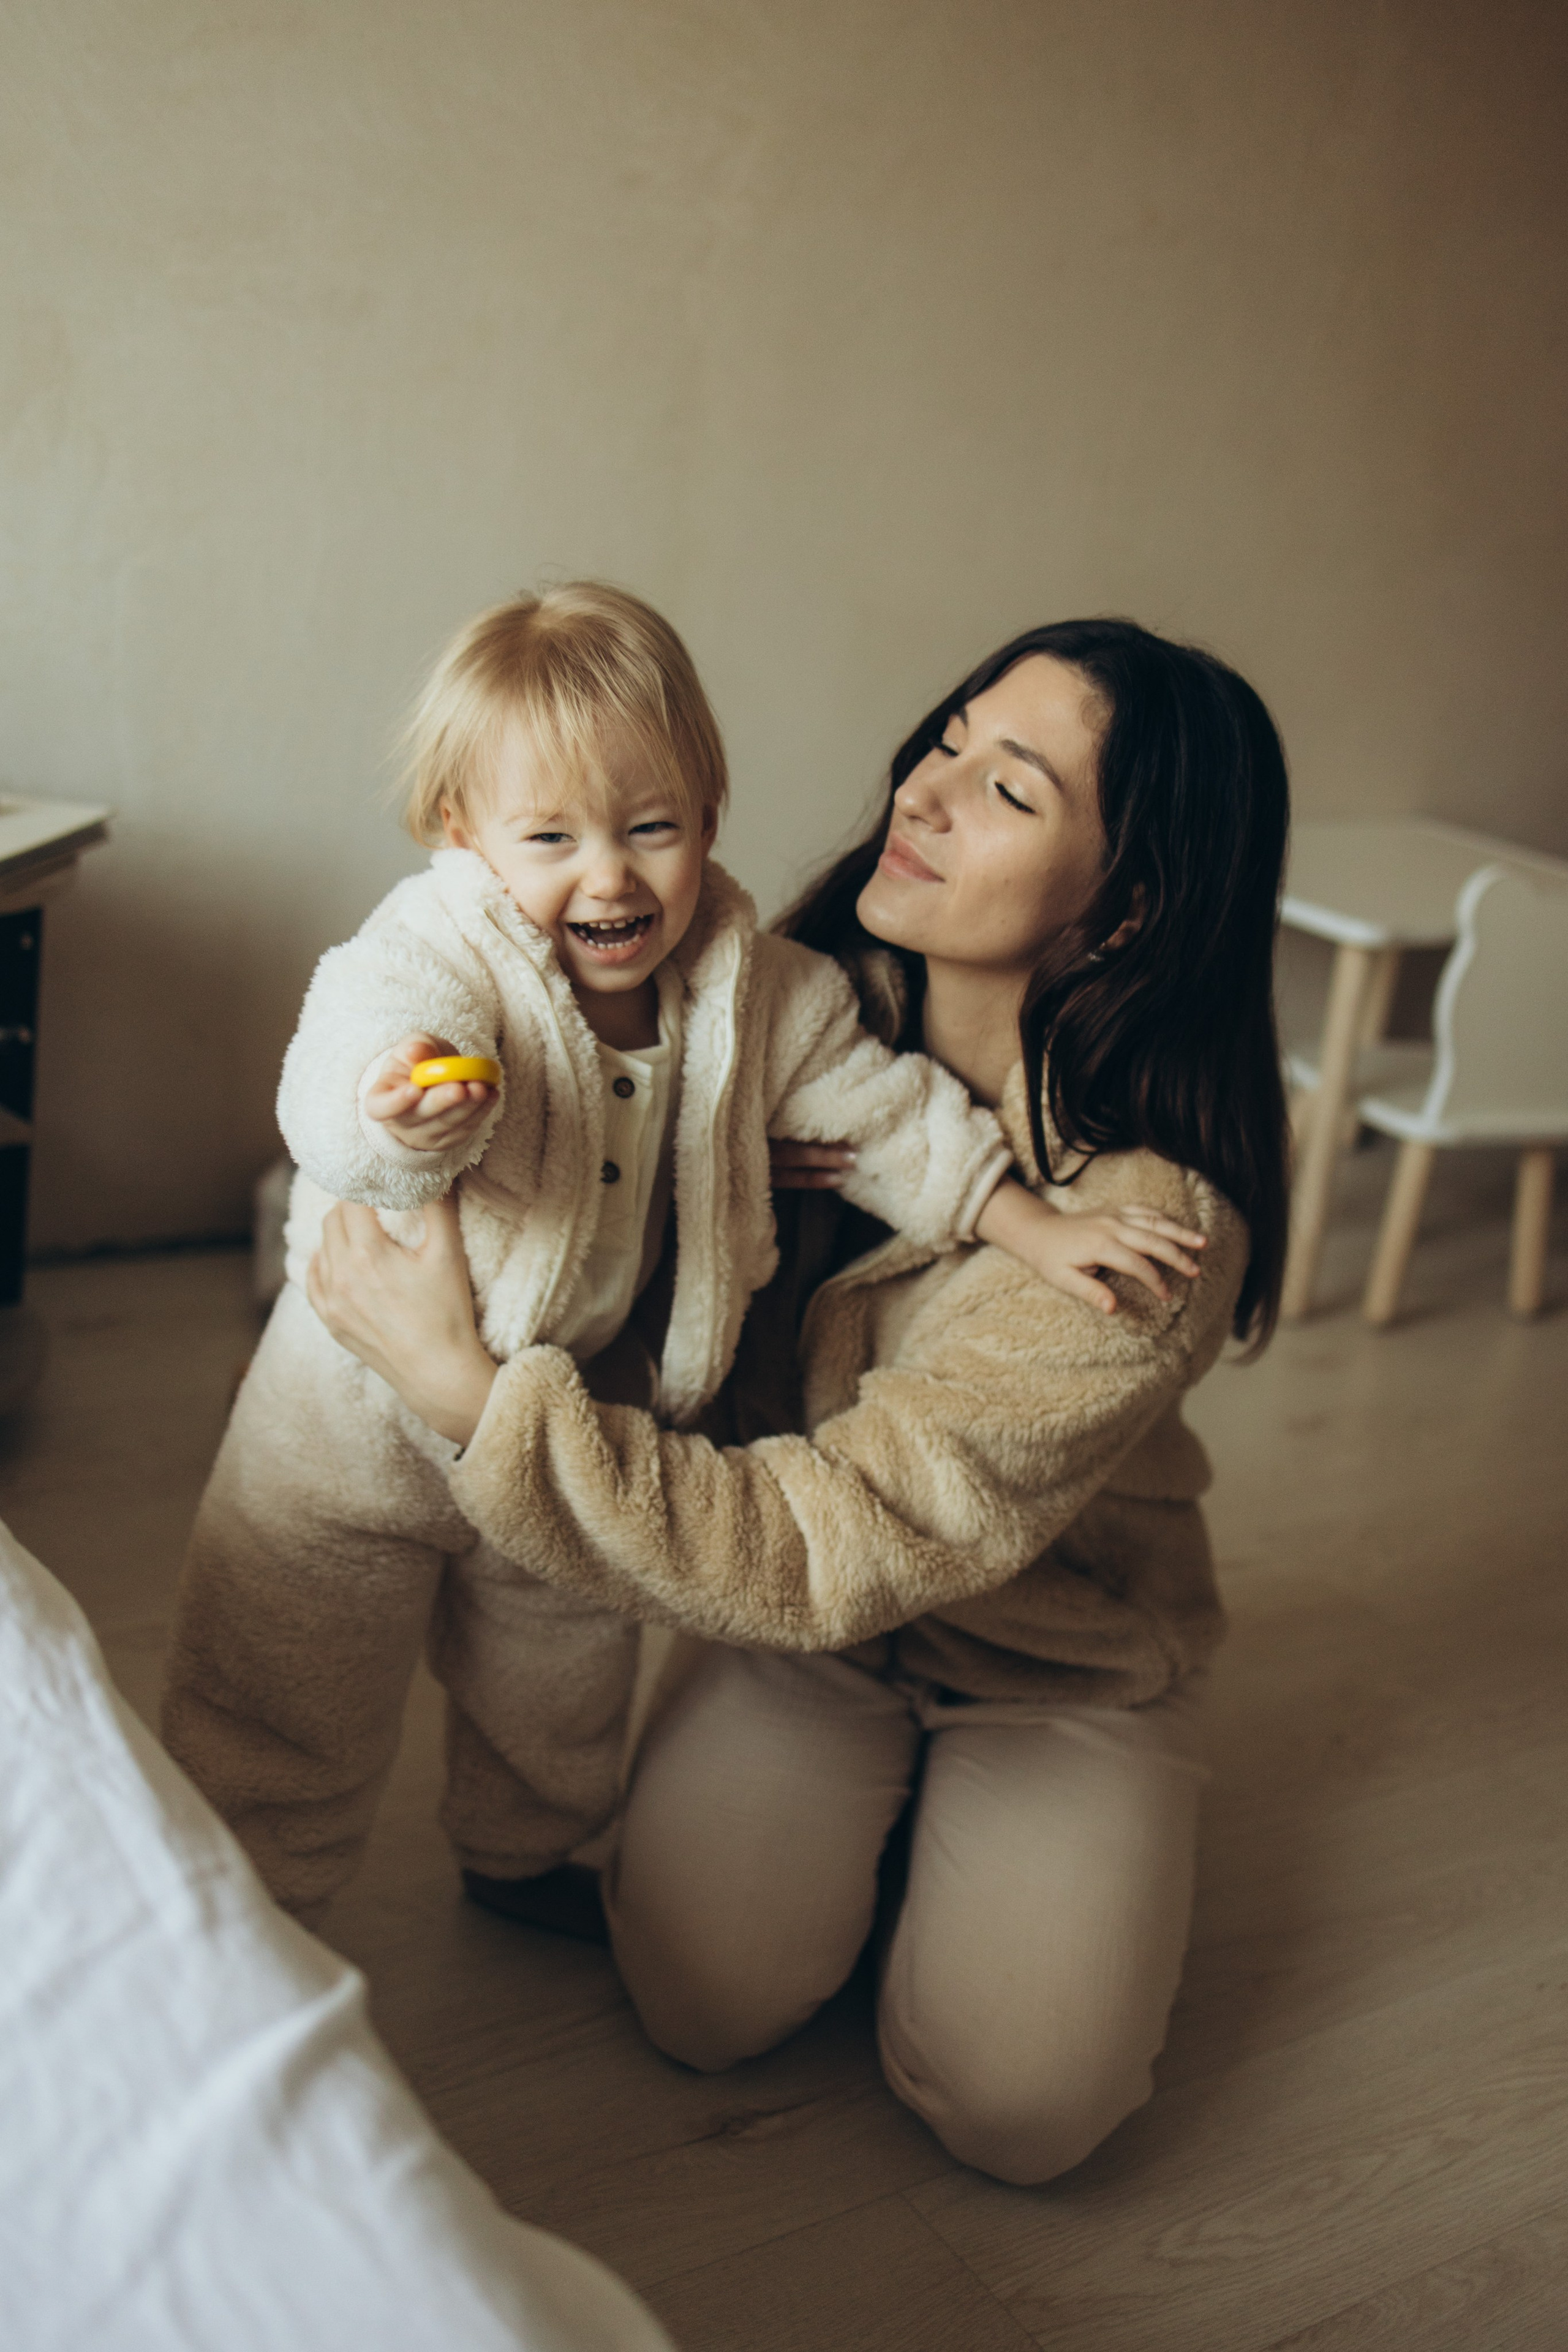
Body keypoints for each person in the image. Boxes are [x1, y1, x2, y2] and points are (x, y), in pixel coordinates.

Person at [306, 616, 1291, 2186]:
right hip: (794, 1632)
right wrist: (677, 1182)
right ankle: (876, 1836)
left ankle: (1002, 1842)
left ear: (1128, 906)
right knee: (700, 2001)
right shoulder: (752, 1018)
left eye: (1010, 791)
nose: (926, 791)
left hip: (1045, 1656)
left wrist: (462, 1390)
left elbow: (840, 1529)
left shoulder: (1141, 1227)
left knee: (1022, 2110)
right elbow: (456, 1057)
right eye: (948, 739)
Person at [162, 586, 1197, 1924]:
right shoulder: (433, 956)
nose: (608, 876)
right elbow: (345, 1071)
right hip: (352, 1413)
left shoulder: (768, 991)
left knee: (560, 1681)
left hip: (578, 1401)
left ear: (708, 815)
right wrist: (393, 1113)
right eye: (550, 838)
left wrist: (1030, 1222)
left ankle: (525, 1856)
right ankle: (233, 1915)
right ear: (462, 834)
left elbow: (887, 1121)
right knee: (281, 1675)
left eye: (650, 828)